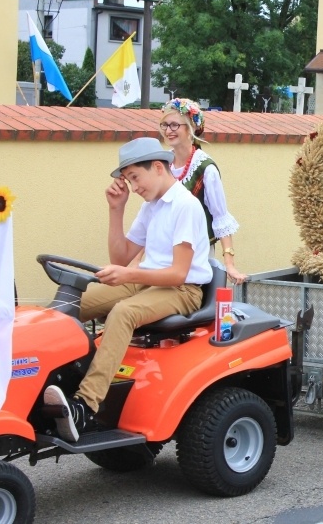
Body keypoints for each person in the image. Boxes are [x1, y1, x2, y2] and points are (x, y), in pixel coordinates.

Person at [44, 137, 212, 442]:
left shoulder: (184, 206)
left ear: (158, 167)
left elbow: (178, 272)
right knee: (70, 304)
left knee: (122, 313)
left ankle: (85, 405)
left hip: (182, 289)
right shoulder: (151, 207)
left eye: (135, 178)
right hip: (146, 280)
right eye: (129, 180)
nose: (133, 187)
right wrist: (116, 209)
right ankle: (43, 380)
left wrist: (128, 274)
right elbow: (119, 258)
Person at [159, 98, 247, 285]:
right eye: (165, 125)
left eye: (174, 125)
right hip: (164, 250)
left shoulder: (206, 168)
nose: (168, 130)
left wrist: (229, 263)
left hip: (196, 253)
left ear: (191, 128)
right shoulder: (162, 164)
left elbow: (220, 217)